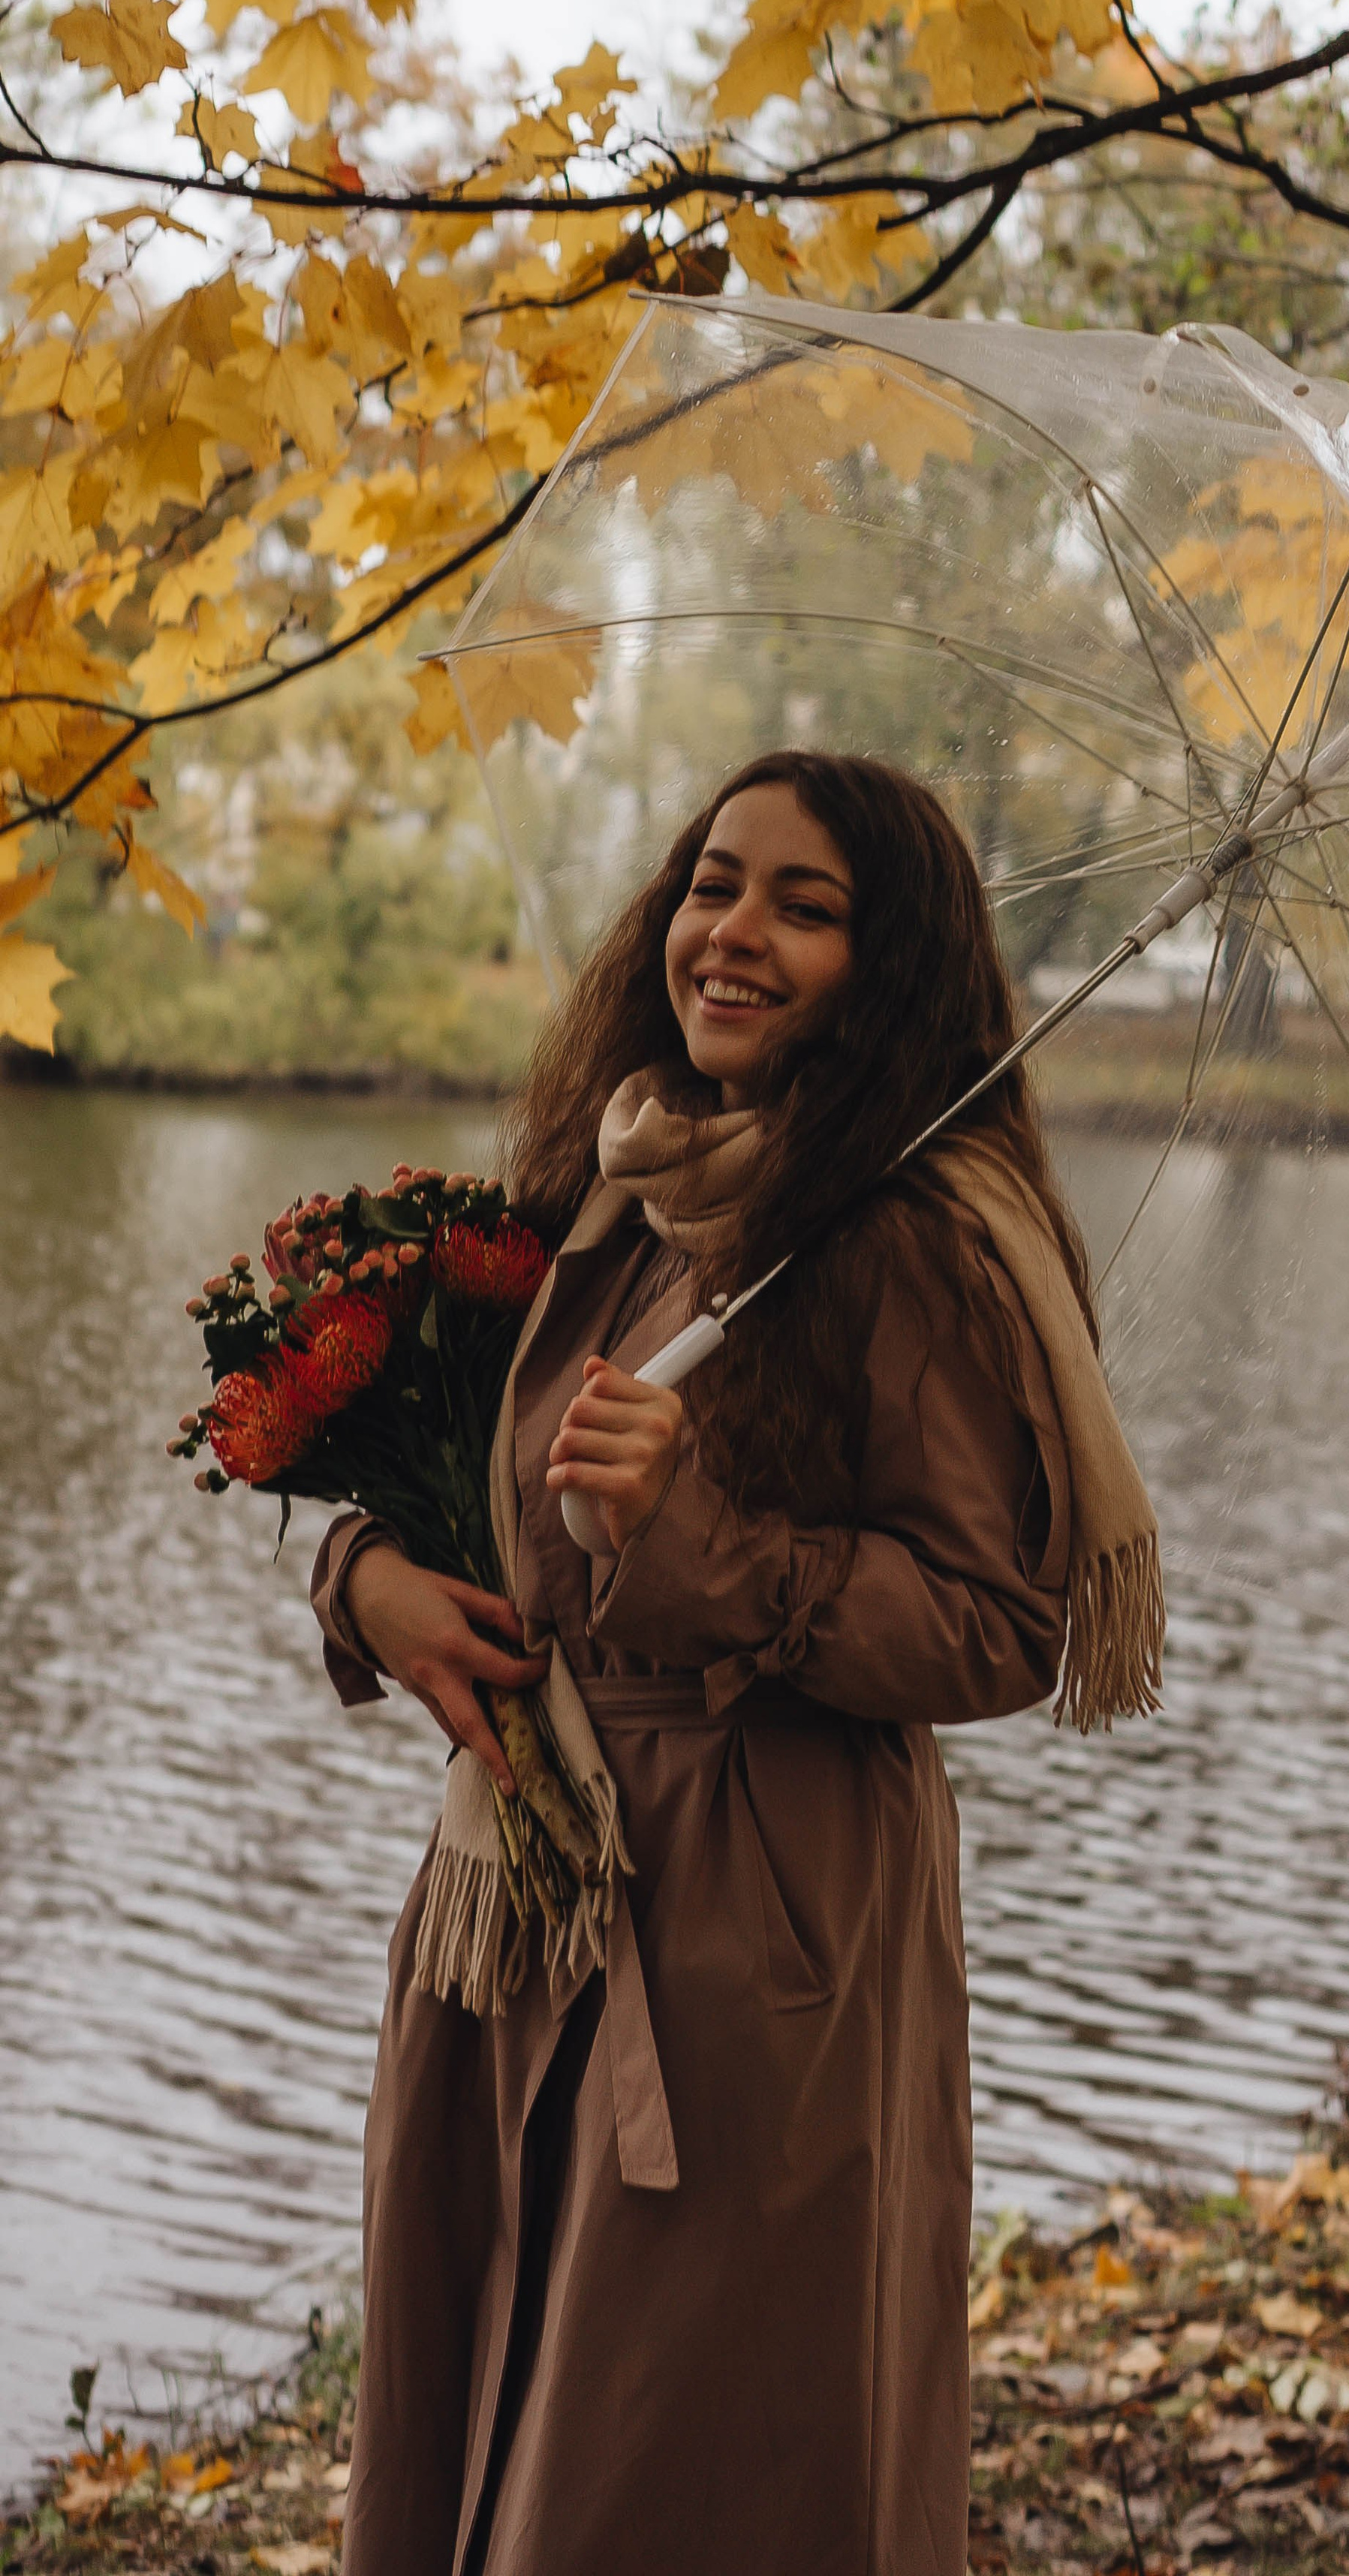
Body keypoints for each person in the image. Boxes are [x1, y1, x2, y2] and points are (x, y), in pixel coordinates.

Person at [309, 750, 1162, 2576]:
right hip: (517, 1892)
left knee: (679, 2451)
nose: (736, 933)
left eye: (805, 904)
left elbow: (996, 1624)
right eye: (715, 884)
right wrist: (366, 1577)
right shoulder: (608, 1186)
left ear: (892, 964)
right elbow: (470, 1496)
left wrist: (704, 1545)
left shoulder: (914, 1242)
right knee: (478, 2410)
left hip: (755, 1933)